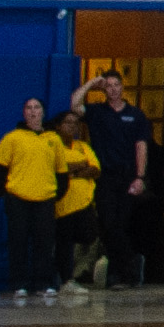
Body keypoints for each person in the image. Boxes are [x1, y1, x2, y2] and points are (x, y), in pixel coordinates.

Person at [0, 96, 66, 301]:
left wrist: (55, 193)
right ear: (24, 113)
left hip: (45, 198)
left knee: (44, 243)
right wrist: (4, 192)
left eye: (37, 107)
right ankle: (19, 284)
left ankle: (43, 283)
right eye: (29, 108)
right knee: (18, 242)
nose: (33, 112)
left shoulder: (53, 139)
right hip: (18, 197)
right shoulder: (12, 138)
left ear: (43, 111)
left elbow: (61, 171)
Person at [83, 71, 153, 288]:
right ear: (104, 90)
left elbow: (141, 146)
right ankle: (132, 262)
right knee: (107, 223)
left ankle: (117, 275)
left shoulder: (136, 115)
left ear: (123, 87)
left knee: (120, 224)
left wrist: (140, 177)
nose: (113, 89)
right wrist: (92, 83)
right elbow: (75, 104)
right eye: (108, 85)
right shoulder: (97, 112)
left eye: (116, 85)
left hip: (127, 176)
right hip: (105, 176)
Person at [50, 102, 103, 295]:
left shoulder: (83, 146)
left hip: (84, 203)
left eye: (76, 123)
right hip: (63, 204)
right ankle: (64, 279)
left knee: (89, 237)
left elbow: (95, 169)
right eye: (68, 122)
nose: (73, 126)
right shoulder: (53, 144)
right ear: (58, 126)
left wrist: (73, 171)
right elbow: (57, 168)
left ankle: (81, 273)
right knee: (63, 242)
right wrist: (77, 167)